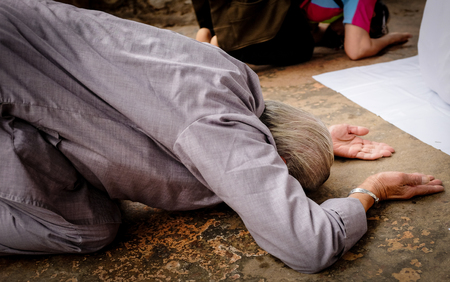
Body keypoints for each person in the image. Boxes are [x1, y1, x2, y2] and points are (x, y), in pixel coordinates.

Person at [0, 0, 443, 274]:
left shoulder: (224, 73)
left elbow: (193, 115)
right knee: (86, 230)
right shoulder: (219, 131)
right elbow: (309, 246)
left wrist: (317, 137)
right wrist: (372, 191)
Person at [193, 0, 413, 65]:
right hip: (254, 9)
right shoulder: (365, 2)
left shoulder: (324, 16)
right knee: (301, 49)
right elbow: (357, 50)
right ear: (371, 17)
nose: (343, 34)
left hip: (226, 9)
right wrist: (390, 39)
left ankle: (210, 33)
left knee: (305, 39)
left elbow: (316, 32)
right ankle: (221, 45)